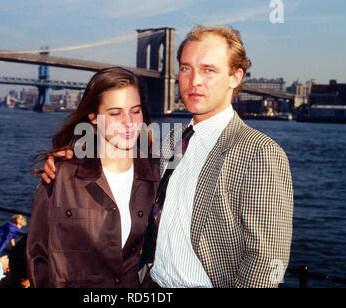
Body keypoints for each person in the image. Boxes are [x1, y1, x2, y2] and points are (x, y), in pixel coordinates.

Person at [41, 25, 294, 288]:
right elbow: (119, 154)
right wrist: (72, 158)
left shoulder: (259, 153)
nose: (194, 81)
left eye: (209, 70)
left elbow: (267, 262)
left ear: (235, 77)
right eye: (186, 68)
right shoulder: (173, 141)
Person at [26, 67, 159, 288]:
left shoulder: (159, 177)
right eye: (116, 113)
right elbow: (37, 256)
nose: (129, 122)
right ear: (93, 117)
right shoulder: (62, 178)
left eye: (135, 111)